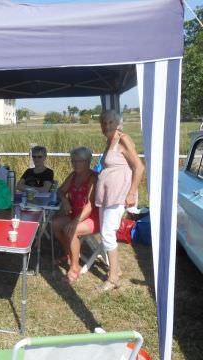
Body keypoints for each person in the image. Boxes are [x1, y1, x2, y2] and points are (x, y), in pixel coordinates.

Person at [95, 110, 145, 291]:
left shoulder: (123, 139)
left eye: (110, 122)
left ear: (118, 123)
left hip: (119, 194)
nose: (107, 125)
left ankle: (113, 277)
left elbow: (139, 167)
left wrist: (131, 193)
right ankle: (116, 269)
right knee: (105, 231)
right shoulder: (110, 141)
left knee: (108, 232)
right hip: (108, 194)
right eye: (104, 123)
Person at [53, 147, 100, 283]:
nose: (75, 164)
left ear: (88, 161)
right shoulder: (73, 175)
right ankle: (69, 253)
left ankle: (74, 267)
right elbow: (60, 191)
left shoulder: (93, 177)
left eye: (79, 161)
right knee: (54, 225)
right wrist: (65, 200)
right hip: (75, 214)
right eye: (73, 161)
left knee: (72, 230)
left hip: (92, 217)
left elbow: (90, 205)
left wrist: (74, 222)